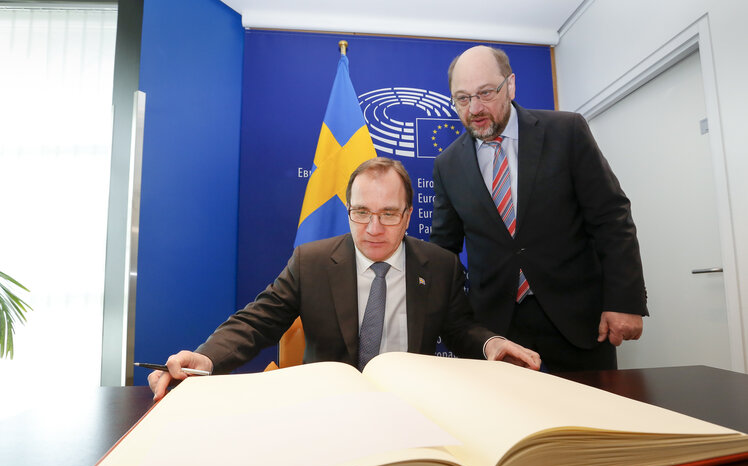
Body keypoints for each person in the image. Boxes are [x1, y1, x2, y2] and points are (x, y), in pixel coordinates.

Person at [149, 157, 540, 399]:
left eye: (389, 213)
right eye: (361, 212)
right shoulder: (312, 262)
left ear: (407, 216)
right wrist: (207, 357)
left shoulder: (439, 265)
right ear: (348, 210)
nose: (373, 227)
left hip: (414, 405)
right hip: (330, 407)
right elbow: (257, 322)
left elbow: (458, 328)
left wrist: (491, 344)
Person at [430, 45, 648, 371]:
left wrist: (624, 301)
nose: (474, 108)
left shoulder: (567, 132)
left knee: (588, 419)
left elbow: (611, 218)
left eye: (486, 93)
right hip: (498, 333)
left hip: (577, 323)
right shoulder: (447, 165)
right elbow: (444, 253)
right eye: (462, 98)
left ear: (511, 85)